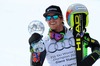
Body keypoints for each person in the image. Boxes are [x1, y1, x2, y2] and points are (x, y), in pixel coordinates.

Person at [29, 4, 100, 66]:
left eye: (55, 16)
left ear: (61, 18)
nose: (52, 20)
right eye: (48, 18)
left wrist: (90, 60)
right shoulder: (45, 42)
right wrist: (34, 48)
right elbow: (36, 63)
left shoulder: (76, 34)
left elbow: (97, 47)